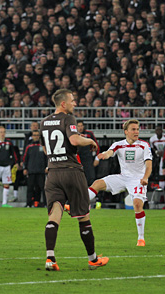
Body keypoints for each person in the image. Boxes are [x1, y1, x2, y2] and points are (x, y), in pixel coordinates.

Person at [40, 89, 108, 271]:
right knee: (83, 216)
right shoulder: (68, 119)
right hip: (71, 172)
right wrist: (90, 141)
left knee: (54, 215)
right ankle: (93, 260)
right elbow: (74, 140)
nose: (75, 103)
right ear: (63, 104)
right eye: (72, 100)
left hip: (53, 173)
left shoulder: (44, 123)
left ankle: (50, 258)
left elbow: (46, 149)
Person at [88, 119, 153, 246]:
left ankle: (141, 238)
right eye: (133, 129)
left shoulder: (144, 145)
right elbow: (110, 152)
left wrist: (145, 178)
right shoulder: (118, 144)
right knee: (97, 184)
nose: (136, 132)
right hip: (123, 177)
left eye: (138, 129)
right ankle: (76, 206)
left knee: (137, 204)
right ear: (126, 131)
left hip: (138, 179)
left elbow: (149, 165)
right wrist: (105, 154)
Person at [0, 126, 18, 207]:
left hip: (7, 166)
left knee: (6, 184)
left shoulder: (9, 143)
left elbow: (13, 153)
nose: (2, 134)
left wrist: (16, 163)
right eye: (1, 132)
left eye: (3, 132)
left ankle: (5, 203)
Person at [23, 130, 47, 207]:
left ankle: (46, 204)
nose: (36, 136)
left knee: (43, 188)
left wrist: (47, 167)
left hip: (41, 170)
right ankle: (28, 204)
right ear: (32, 136)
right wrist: (25, 168)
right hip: (31, 170)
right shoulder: (29, 146)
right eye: (35, 135)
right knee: (30, 188)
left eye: (37, 135)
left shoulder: (43, 146)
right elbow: (25, 158)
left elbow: (46, 158)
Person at [76, 120, 100, 187]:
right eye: (78, 126)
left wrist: (97, 158)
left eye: (81, 126)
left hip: (88, 158)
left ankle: (92, 195)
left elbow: (96, 146)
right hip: (78, 159)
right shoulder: (74, 135)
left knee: (91, 177)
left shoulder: (89, 134)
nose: (80, 128)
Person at [149, 125, 165, 190]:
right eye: (157, 130)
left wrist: (164, 152)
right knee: (161, 173)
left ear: (162, 131)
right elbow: (152, 148)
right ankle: (161, 189)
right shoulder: (152, 139)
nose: (158, 131)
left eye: (159, 130)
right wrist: (156, 152)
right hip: (160, 158)